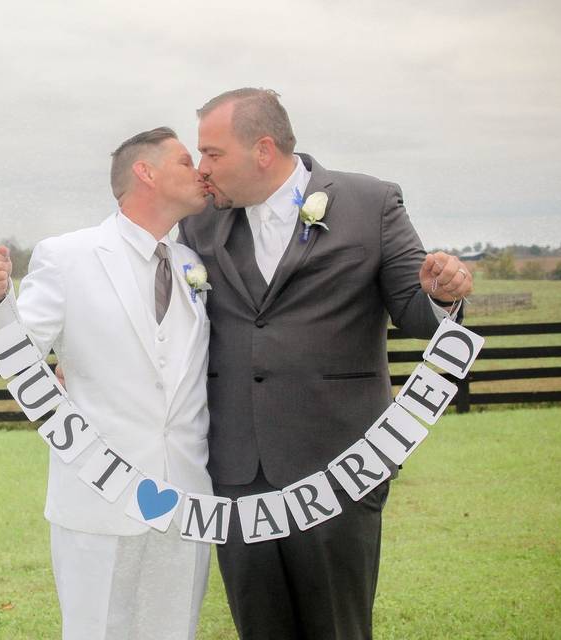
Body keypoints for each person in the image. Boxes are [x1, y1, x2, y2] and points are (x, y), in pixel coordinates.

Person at [177, 88, 474, 640]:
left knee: (338, 630)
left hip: (341, 466)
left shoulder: (372, 202)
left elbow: (418, 316)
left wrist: (442, 294)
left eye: (213, 153)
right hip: (237, 471)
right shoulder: (199, 225)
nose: (203, 168)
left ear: (263, 150)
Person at [0, 127, 214, 640]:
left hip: (186, 496)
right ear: (145, 172)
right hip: (98, 491)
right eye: (186, 161)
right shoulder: (68, 256)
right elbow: (22, 350)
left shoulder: (192, 264)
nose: (201, 172)